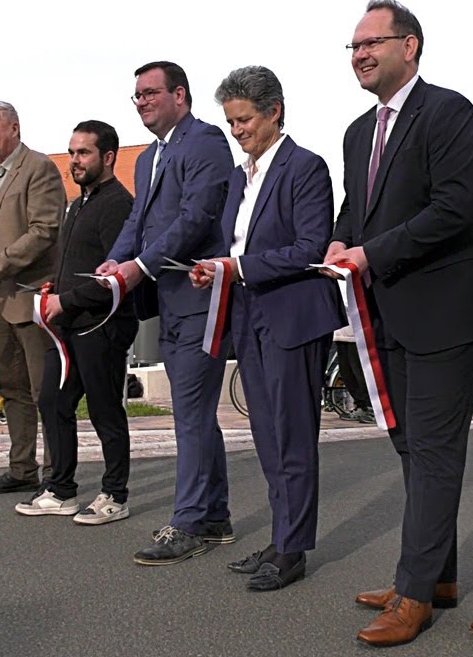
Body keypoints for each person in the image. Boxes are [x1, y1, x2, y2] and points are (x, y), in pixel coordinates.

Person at [323, 0, 473, 646]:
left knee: (432, 450)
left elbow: (456, 208)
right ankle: (438, 577)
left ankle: (413, 594)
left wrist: (370, 253)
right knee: (410, 446)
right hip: (388, 312)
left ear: (411, 46)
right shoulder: (356, 132)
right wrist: (338, 245)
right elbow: (357, 212)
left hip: (448, 310)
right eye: (352, 46)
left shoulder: (448, 112)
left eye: (372, 42)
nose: (361, 54)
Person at [192, 66, 343, 590]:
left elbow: (309, 247)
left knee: (293, 435)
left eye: (245, 120)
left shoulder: (307, 168)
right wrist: (214, 266)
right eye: (231, 122)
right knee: (266, 435)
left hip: (292, 313)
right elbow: (233, 243)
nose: (238, 132)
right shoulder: (241, 176)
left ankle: (294, 548)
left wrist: (238, 268)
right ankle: (282, 537)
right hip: (247, 312)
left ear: (274, 111)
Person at [96, 61, 235, 565]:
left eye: (151, 93)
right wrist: (116, 259)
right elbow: (139, 218)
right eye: (136, 96)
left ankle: (189, 522)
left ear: (181, 95)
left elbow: (195, 218)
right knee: (192, 414)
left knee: (191, 414)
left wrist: (139, 267)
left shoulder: (205, 142)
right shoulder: (148, 158)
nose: (142, 102)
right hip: (171, 302)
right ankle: (214, 515)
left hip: (200, 297)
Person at [24, 120, 139, 525]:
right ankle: (61, 489)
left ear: (107, 157)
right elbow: (77, 260)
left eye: (84, 152)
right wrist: (56, 284)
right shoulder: (78, 204)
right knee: (53, 401)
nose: (74, 160)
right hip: (67, 324)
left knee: (105, 409)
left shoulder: (119, 206)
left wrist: (67, 298)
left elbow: (116, 277)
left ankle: (114, 494)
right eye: (72, 152)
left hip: (101, 324)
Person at [0, 100, 64, 496]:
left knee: (44, 389)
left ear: (14, 128)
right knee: (12, 388)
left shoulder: (39, 168)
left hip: (34, 296)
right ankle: (22, 468)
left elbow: (44, 231)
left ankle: (57, 474)